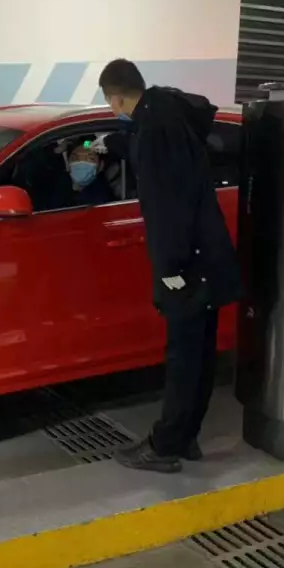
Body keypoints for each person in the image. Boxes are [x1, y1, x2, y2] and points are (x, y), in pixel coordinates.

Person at [96, 58, 242, 473]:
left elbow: (169, 207)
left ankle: (165, 447)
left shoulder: (156, 132)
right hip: (206, 255)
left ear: (116, 98)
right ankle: (186, 436)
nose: (113, 110)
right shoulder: (167, 114)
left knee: (183, 357)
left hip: (188, 262)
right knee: (199, 353)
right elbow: (151, 151)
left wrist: (171, 268)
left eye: (110, 104)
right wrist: (111, 143)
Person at [64, 140, 117, 207]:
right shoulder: (60, 186)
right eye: (75, 158)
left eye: (90, 159)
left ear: (101, 166)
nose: (81, 162)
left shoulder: (101, 198)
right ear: (68, 164)